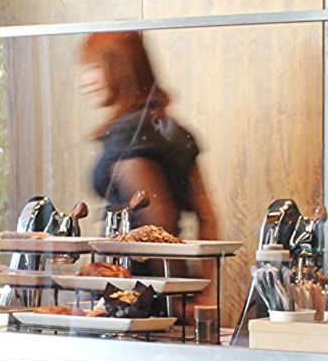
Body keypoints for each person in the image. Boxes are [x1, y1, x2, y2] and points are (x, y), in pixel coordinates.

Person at [78, 31, 221, 240]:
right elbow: (207, 217)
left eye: (94, 67)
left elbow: (159, 225)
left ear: (120, 68)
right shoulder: (173, 128)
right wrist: (204, 273)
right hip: (167, 270)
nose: (84, 81)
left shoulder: (129, 133)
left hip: (131, 270)